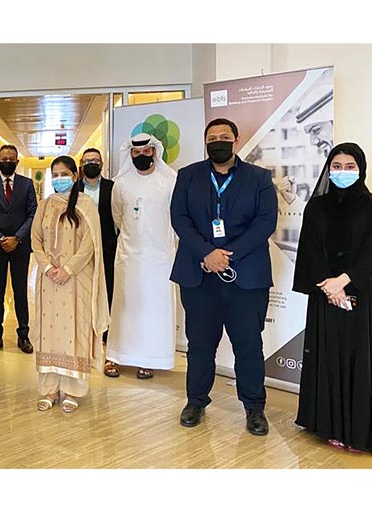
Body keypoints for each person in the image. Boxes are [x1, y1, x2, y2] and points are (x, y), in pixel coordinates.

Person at [170, 118, 277, 435]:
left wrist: (227, 255)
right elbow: (179, 218)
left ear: (236, 140)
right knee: (200, 345)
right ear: (205, 143)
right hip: (199, 275)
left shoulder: (259, 178)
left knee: (248, 345)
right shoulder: (188, 176)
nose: (218, 141)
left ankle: (254, 408)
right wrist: (206, 253)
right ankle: (196, 402)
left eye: (224, 137)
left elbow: (266, 221)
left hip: (246, 278)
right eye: (212, 138)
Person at [294, 142, 372, 454]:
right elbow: (309, 249)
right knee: (327, 357)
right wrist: (329, 286)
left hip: (362, 297)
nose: (342, 172)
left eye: (349, 167)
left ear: (361, 169)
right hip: (325, 297)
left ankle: (358, 431)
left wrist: (345, 280)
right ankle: (329, 426)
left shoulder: (370, 206)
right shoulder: (316, 206)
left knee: (359, 361)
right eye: (336, 167)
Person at [30, 155, 109, 413]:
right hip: (49, 280)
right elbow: (36, 239)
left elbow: (90, 243)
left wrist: (68, 269)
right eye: (55, 175)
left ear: (75, 176)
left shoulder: (85, 205)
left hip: (77, 278)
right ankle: (50, 389)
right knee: (50, 332)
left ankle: (72, 390)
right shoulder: (45, 205)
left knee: (75, 330)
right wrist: (47, 267)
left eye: (64, 174)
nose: (59, 179)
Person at [105, 134, 177, 380]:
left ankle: (149, 360)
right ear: (131, 154)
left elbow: (176, 218)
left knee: (154, 308)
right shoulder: (121, 183)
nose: (141, 156)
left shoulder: (170, 180)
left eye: (146, 151)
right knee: (125, 306)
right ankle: (116, 355)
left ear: (155, 152)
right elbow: (117, 216)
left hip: (160, 257)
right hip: (129, 256)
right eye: (136, 152)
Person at [0, 145, 37, 354]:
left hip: (20, 247)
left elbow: (32, 213)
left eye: (11, 159)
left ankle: (23, 335)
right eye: (4, 159)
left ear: (17, 162)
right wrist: (1, 238)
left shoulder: (27, 184)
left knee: (21, 291)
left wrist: (17, 238)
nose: (7, 162)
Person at [77, 147, 117, 351]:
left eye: (95, 160)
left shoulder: (112, 188)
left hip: (107, 249)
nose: (91, 164)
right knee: (83, 291)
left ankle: (107, 333)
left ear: (101, 164)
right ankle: (84, 331)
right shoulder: (74, 189)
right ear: (81, 165)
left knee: (107, 289)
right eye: (87, 161)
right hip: (80, 251)